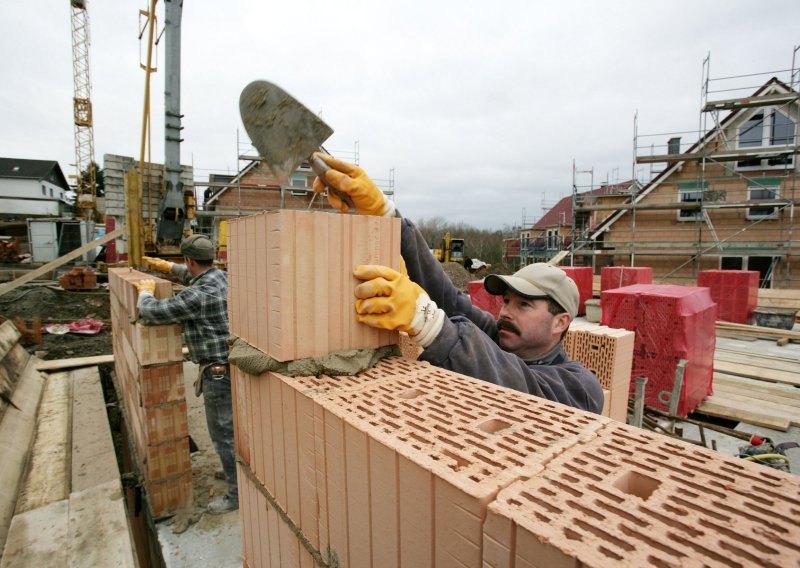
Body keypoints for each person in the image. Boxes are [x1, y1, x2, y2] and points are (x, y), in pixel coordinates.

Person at [312, 153, 603, 413]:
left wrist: (428, 322)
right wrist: (388, 218)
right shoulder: (499, 337)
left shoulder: (580, 387)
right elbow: (447, 300)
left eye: (524, 304)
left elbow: (519, 386)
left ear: (560, 322)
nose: (505, 313)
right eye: (506, 301)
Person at [135, 235, 238, 514]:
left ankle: (236, 494)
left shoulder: (197, 296)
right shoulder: (221, 277)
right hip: (231, 366)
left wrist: (144, 292)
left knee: (223, 435)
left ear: (190, 259)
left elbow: (152, 312)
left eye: (184, 263)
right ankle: (236, 474)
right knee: (234, 430)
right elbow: (192, 274)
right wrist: (167, 268)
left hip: (218, 373)